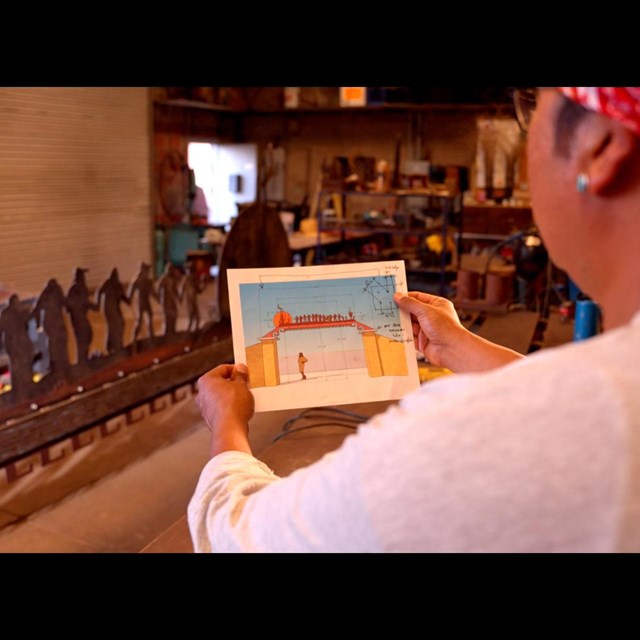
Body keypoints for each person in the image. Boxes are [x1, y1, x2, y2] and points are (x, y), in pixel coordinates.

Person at [188, 87, 640, 552]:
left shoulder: (459, 439)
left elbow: (241, 535)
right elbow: (564, 405)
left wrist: (227, 422)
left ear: (599, 148)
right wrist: (459, 346)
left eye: (533, 106)